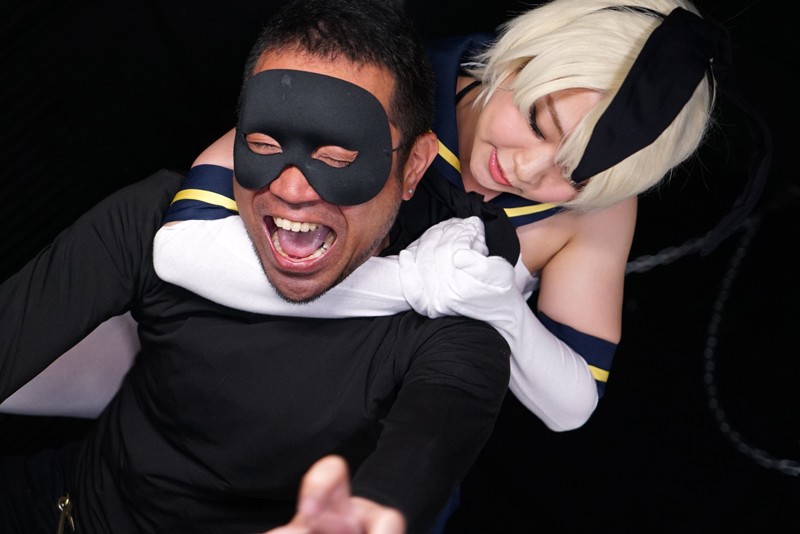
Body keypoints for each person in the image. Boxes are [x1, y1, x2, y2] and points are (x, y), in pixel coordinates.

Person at [0, 0, 513, 532]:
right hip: (57, 506)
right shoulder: (154, 219)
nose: (291, 189)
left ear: (414, 167)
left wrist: (370, 513)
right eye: (264, 145)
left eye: (337, 160)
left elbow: (433, 438)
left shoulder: (452, 320)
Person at [153, 0, 768, 436]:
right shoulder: (391, 81)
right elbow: (182, 249)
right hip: (205, 365)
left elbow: (571, 404)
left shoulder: (597, 210)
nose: (527, 170)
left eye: (575, 172)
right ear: (520, 59)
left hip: (371, 438)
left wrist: (502, 310)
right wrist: (415, 284)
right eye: (537, 122)